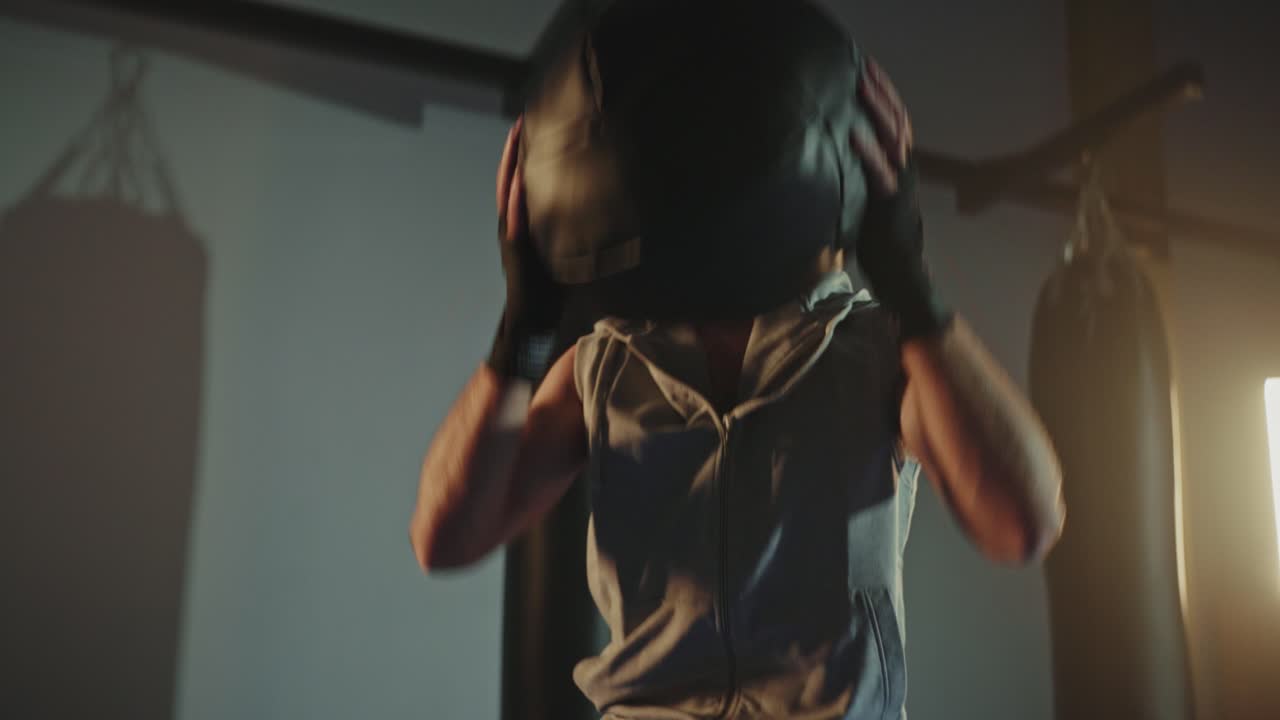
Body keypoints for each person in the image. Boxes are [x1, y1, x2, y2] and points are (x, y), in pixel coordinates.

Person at [409, 57, 1065, 719]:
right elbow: (444, 537)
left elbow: (1023, 525)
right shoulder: (606, 363)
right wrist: (523, 327)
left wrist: (915, 290)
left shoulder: (874, 351)